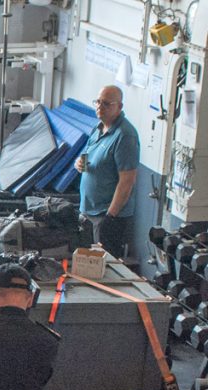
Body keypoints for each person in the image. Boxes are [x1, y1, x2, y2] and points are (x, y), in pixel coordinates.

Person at [75, 85, 139, 263]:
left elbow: (127, 181)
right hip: (88, 209)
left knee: (103, 265)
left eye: (106, 104)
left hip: (106, 215)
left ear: (119, 107)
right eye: (98, 102)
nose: (99, 107)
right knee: (86, 264)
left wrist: (110, 217)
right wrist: (78, 164)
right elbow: (86, 155)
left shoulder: (125, 136)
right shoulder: (98, 128)